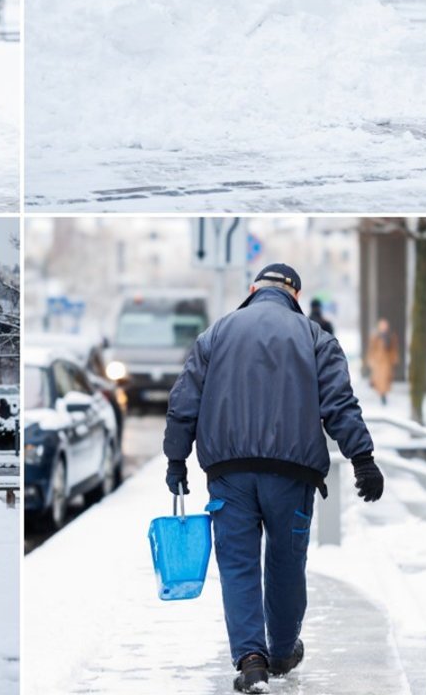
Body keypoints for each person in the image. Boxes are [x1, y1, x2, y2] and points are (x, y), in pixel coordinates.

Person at [164, 263, 383, 694]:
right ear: (295, 295)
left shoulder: (215, 335)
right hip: (292, 475)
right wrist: (363, 457)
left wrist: (176, 460)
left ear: (252, 290)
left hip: (229, 476)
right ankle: (282, 651)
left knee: (238, 565)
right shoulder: (316, 338)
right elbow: (340, 403)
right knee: (286, 563)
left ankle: (250, 661)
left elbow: (183, 401)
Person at [366, 318, 400, 406]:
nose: (383, 327)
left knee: (385, 379)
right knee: (379, 379)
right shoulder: (375, 336)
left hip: (386, 361)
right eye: (382, 326)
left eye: (385, 326)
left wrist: (394, 359)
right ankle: (381, 395)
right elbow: (371, 349)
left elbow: (394, 349)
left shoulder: (391, 336)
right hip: (377, 361)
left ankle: (383, 395)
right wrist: (370, 359)